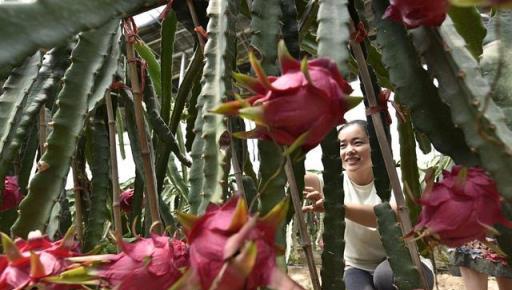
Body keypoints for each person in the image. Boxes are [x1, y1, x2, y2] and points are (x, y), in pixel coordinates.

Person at [302, 120, 434, 290]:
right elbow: (298, 175)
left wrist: (337, 207)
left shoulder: (397, 177)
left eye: (358, 143)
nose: (349, 150)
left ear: (375, 146)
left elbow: (391, 214)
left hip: (406, 261)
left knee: (385, 276)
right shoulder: (333, 184)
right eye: (342, 146)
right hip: (357, 268)